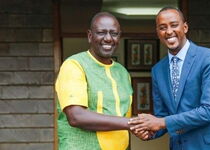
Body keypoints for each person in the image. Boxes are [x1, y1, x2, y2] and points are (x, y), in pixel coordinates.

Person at [129, 7, 210, 150]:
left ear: (185, 27)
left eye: (174, 25)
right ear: (158, 33)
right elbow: (163, 116)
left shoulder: (209, 58)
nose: (169, 31)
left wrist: (160, 122)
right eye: (162, 28)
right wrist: (149, 131)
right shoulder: (158, 70)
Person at [55, 12, 147, 150]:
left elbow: (123, 123)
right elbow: (76, 116)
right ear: (90, 36)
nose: (108, 38)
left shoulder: (122, 73)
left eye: (114, 33)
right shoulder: (74, 65)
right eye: (101, 33)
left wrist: (133, 125)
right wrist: (133, 123)